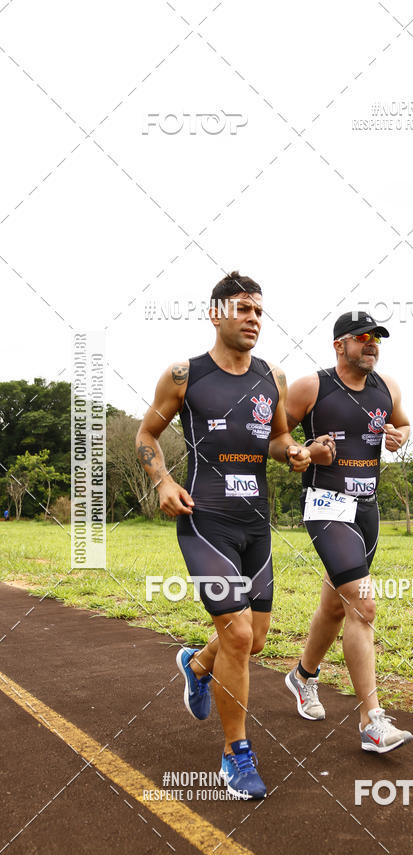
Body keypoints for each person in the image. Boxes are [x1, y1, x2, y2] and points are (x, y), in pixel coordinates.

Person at [135, 271, 314, 799]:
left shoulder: (272, 378)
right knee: (236, 634)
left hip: (256, 524)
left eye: (259, 311)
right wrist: (163, 480)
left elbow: (279, 438)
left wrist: (296, 453)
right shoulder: (183, 375)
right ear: (216, 314)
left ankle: (196, 664)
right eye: (242, 309)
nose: (254, 319)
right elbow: (147, 433)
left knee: (253, 641)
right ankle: (236, 756)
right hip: (204, 519)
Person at [284, 310, 413, 753]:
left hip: (367, 511)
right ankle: (371, 721)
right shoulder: (311, 387)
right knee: (363, 605)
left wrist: (400, 435)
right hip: (326, 506)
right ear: (339, 344)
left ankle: (302, 676)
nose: (372, 344)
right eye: (362, 337)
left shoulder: (387, 387)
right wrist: (305, 451)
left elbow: (404, 423)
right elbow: (273, 437)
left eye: (377, 337)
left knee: (338, 607)